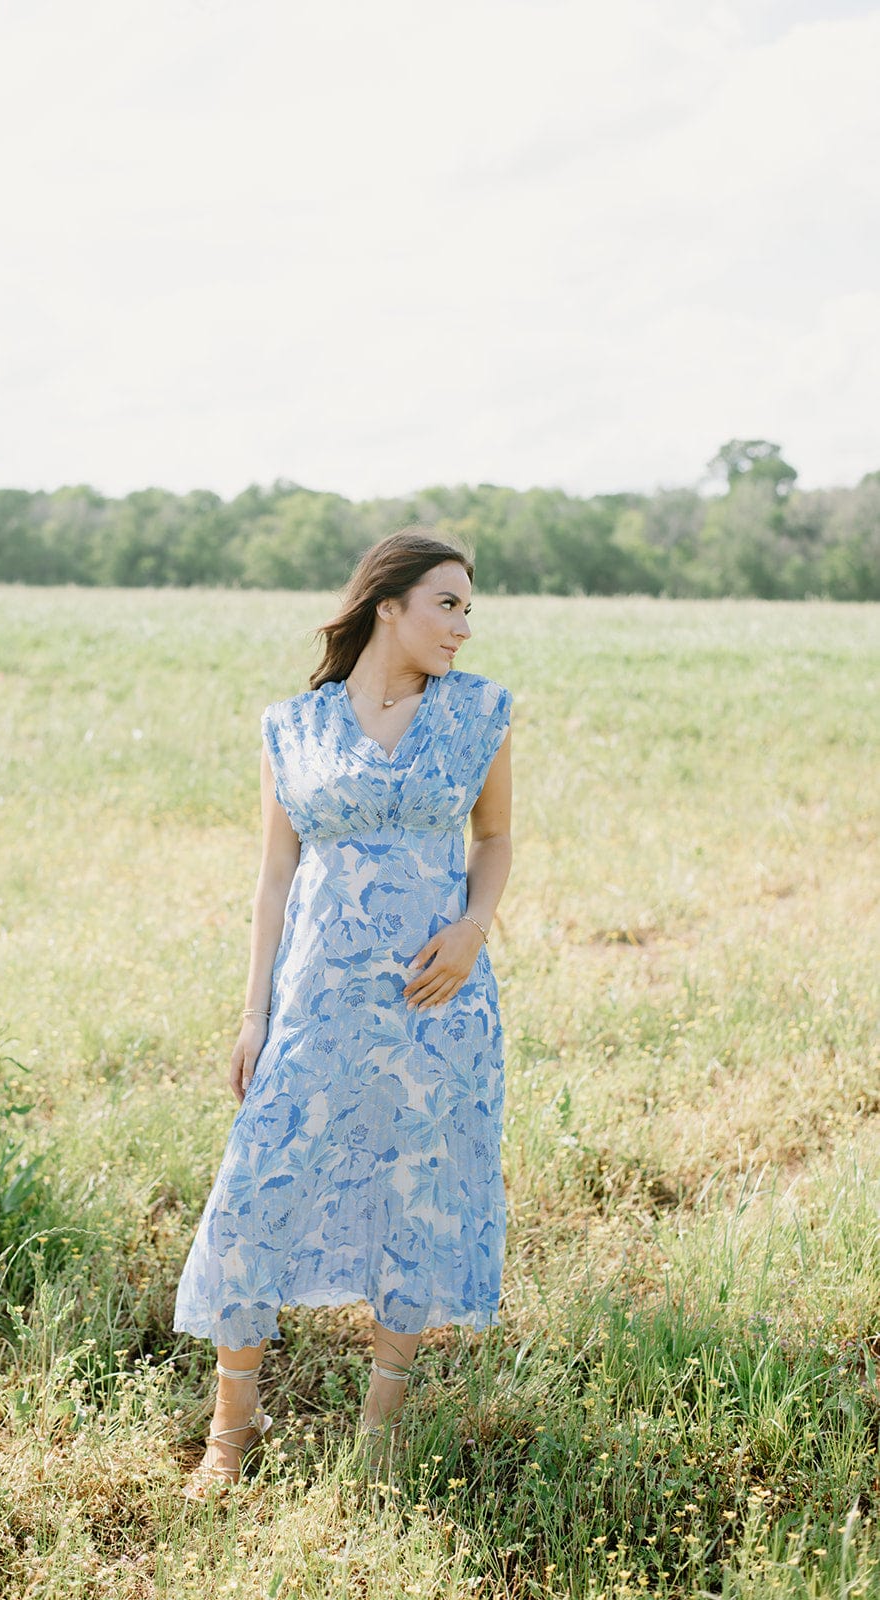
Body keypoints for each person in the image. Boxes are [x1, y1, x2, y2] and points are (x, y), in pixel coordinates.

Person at [173, 527, 514, 1501]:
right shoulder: (295, 725)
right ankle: (231, 1435)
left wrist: (474, 925)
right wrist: (253, 1013)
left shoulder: (479, 713)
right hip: (317, 1001)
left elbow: (493, 838)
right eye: (446, 602)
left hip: (435, 1002)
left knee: (415, 1197)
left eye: (468, 606)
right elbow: (274, 872)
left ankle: (380, 1436)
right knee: (254, 1194)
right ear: (387, 606)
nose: (462, 624)